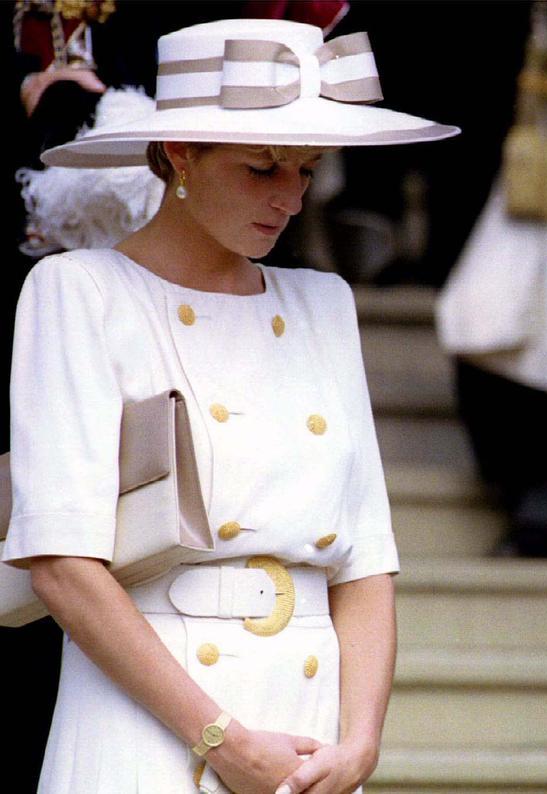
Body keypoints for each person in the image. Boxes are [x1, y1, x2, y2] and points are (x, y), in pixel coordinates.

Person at [2, 18, 457, 794]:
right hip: (145, 723)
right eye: (261, 168)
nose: (291, 197)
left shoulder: (325, 302)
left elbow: (366, 557)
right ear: (180, 153)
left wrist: (361, 743)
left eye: (308, 170)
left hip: (306, 737)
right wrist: (220, 739)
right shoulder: (78, 291)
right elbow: (61, 565)